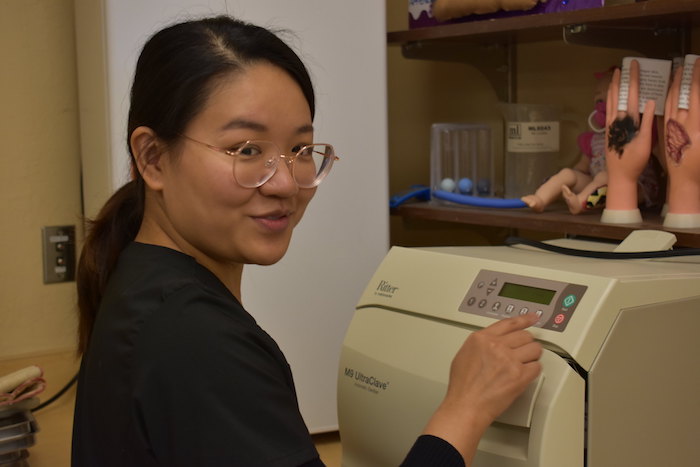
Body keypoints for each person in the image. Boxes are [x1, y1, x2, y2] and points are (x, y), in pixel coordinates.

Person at [71, 16, 542, 467]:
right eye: (246, 150)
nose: (285, 184)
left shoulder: (143, 283)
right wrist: (465, 409)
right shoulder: (193, 337)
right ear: (152, 158)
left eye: (299, 150)